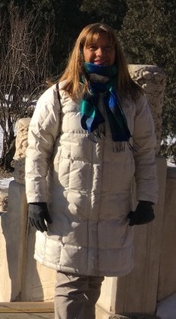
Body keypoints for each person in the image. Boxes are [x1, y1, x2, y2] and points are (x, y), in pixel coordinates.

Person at [25, 22, 158, 319]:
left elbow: (146, 152)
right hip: (68, 209)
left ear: (116, 52)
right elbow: (37, 150)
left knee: (93, 281)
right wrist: (36, 199)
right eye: (93, 47)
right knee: (70, 285)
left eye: (107, 47)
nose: (100, 53)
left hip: (112, 209)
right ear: (81, 50)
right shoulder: (61, 96)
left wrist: (147, 198)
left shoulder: (132, 99)